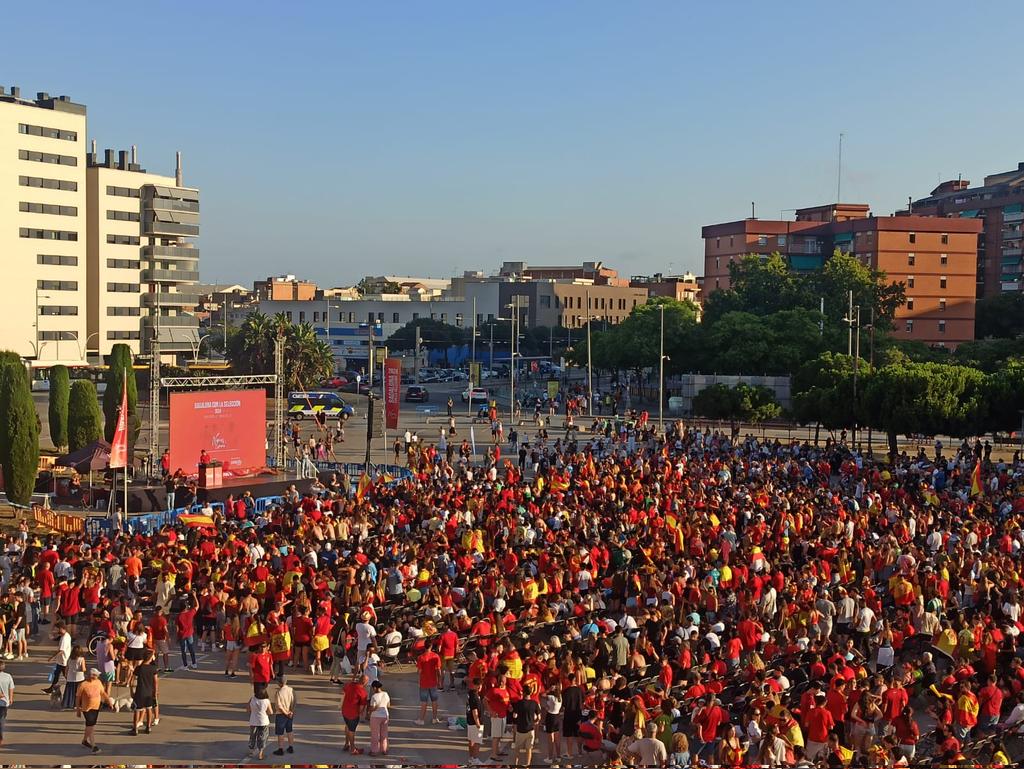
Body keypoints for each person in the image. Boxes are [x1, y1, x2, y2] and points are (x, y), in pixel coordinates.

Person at [76, 668, 113, 754]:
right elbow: (78, 698)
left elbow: (103, 693)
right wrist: (78, 709)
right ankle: (94, 746)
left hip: (96, 707)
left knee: (90, 726)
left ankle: (84, 740)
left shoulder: (98, 682)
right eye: (96, 675)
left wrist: (109, 701)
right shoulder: (83, 685)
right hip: (86, 709)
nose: (98, 676)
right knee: (91, 726)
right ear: (91, 675)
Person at [511, 683, 541, 767]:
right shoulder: (534, 703)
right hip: (530, 729)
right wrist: (535, 721)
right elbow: (539, 717)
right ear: (531, 693)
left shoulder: (519, 703)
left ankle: (515, 765)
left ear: (523, 693)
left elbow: (515, 716)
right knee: (529, 749)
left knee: (517, 750)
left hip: (520, 730)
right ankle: (527, 765)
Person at [414, 641, 442, 725]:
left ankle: (421, 719)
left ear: (424, 647)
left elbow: (419, 671)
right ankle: (434, 718)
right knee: (434, 701)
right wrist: (440, 680)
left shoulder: (420, 657)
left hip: (424, 682)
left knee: (423, 702)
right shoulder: (436, 656)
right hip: (433, 682)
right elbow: (438, 670)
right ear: (431, 646)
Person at [132, 650, 159, 735]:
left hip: (139, 691)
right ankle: (148, 727)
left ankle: (135, 728)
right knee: (149, 709)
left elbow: (134, 680)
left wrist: (131, 691)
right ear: (150, 658)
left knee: (137, 710)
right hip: (149, 692)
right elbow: (155, 682)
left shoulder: (139, 668)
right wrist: (155, 692)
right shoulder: (153, 668)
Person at [341, 673, 368, 755]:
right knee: (352, 731)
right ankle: (353, 749)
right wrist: (359, 714)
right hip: (353, 714)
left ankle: (346, 744)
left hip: (344, 710)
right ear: (365, 683)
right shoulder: (363, 693)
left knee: (347, 726)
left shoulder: (349, 684)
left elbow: (343, 691)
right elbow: (361, 707)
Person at [42, 620, 71, 695]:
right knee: (57, 674)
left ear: (61, 628)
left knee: (64, 675)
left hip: (63, 660)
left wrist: (51, 657)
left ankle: (73, 687)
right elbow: (57, 636)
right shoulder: (66, 635)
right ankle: (51, 688)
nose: (56, 630)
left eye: (57, 629)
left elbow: (61, 650)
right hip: (61, 660)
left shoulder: (64, 638)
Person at [246, 682, 273, 760]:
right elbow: (270, 712)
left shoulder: (252, 699)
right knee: (262, 737)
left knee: (252, 736)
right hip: (263, 721)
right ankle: (260, 753)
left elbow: (247, 709)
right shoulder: (266, 701)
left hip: (253, 721)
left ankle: (251, 751)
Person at [271, 675, 295, 756]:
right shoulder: (291, 690)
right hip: (290, 714)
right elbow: (294, 702)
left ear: (279, 683)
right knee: (289, 730)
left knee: (280, 733)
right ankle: (291, 747)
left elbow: (280, 706)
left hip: (281, 715)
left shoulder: (279, 692)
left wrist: (285, 713)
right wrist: (290, 712)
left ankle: (281, 749)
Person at [366, 678, 391, 757]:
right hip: (385, 715)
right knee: (384, 734)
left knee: (375, 734)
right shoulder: (386, 694)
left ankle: (374, 751)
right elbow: (388, 705)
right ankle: (384, 749)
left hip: (376, 717)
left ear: (374, 688)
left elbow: (372, 708)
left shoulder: (374, 696)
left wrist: (368, 712)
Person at [466, 679, 484, 765]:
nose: (480, 687)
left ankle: (471, 758)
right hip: (475, 722)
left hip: (469, 721)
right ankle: (475, 759)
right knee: (477, 741)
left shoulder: (470, 694)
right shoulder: (475, 697)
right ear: (476, 685)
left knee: (471, 740)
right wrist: (478, 723)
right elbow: (474, 711)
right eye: (479, 685)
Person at [0, 660, 13, 748]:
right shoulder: (8, 676)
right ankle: (0, 738)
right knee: (1, 721)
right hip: (5, 703)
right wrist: (11, 698)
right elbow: (11, 688)